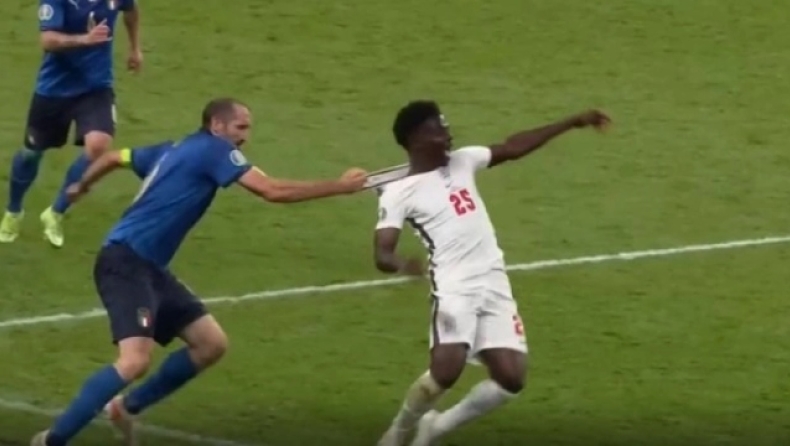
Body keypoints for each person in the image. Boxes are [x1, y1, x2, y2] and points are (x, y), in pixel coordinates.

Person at [30, 98, 367, 446]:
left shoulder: (173, 150)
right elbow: (271, 190)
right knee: (133, 362)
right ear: (217, 126)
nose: (245, 137)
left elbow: (115, 157)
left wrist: (82, 185)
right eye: (240, 127)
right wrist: (339, 186)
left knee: (210, 344)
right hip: (125, 262)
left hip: (150, 267)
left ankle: (125, 408)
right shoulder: (214, 150)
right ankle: (52, 440)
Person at [373, 100, 610, 446]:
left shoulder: (464, 160)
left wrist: (572, 121)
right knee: (445, 371)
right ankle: (398, 433)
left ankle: (436, 428)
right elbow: (382, 252)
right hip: (455, 287)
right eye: (438, 129)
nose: (448, 133)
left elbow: (513, 147)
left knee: (511, 378)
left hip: (494, 282)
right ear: (416, 139)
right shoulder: (398, 192)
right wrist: (400, 264)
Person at [0, 0, 142, 248]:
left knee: (98, 145)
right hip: (54, 90)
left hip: (96, 87)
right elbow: (48, 40)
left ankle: (55, 212)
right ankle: (13, 211)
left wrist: (135, 48)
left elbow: (131, 10)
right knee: (32, 153)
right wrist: (86, 39)